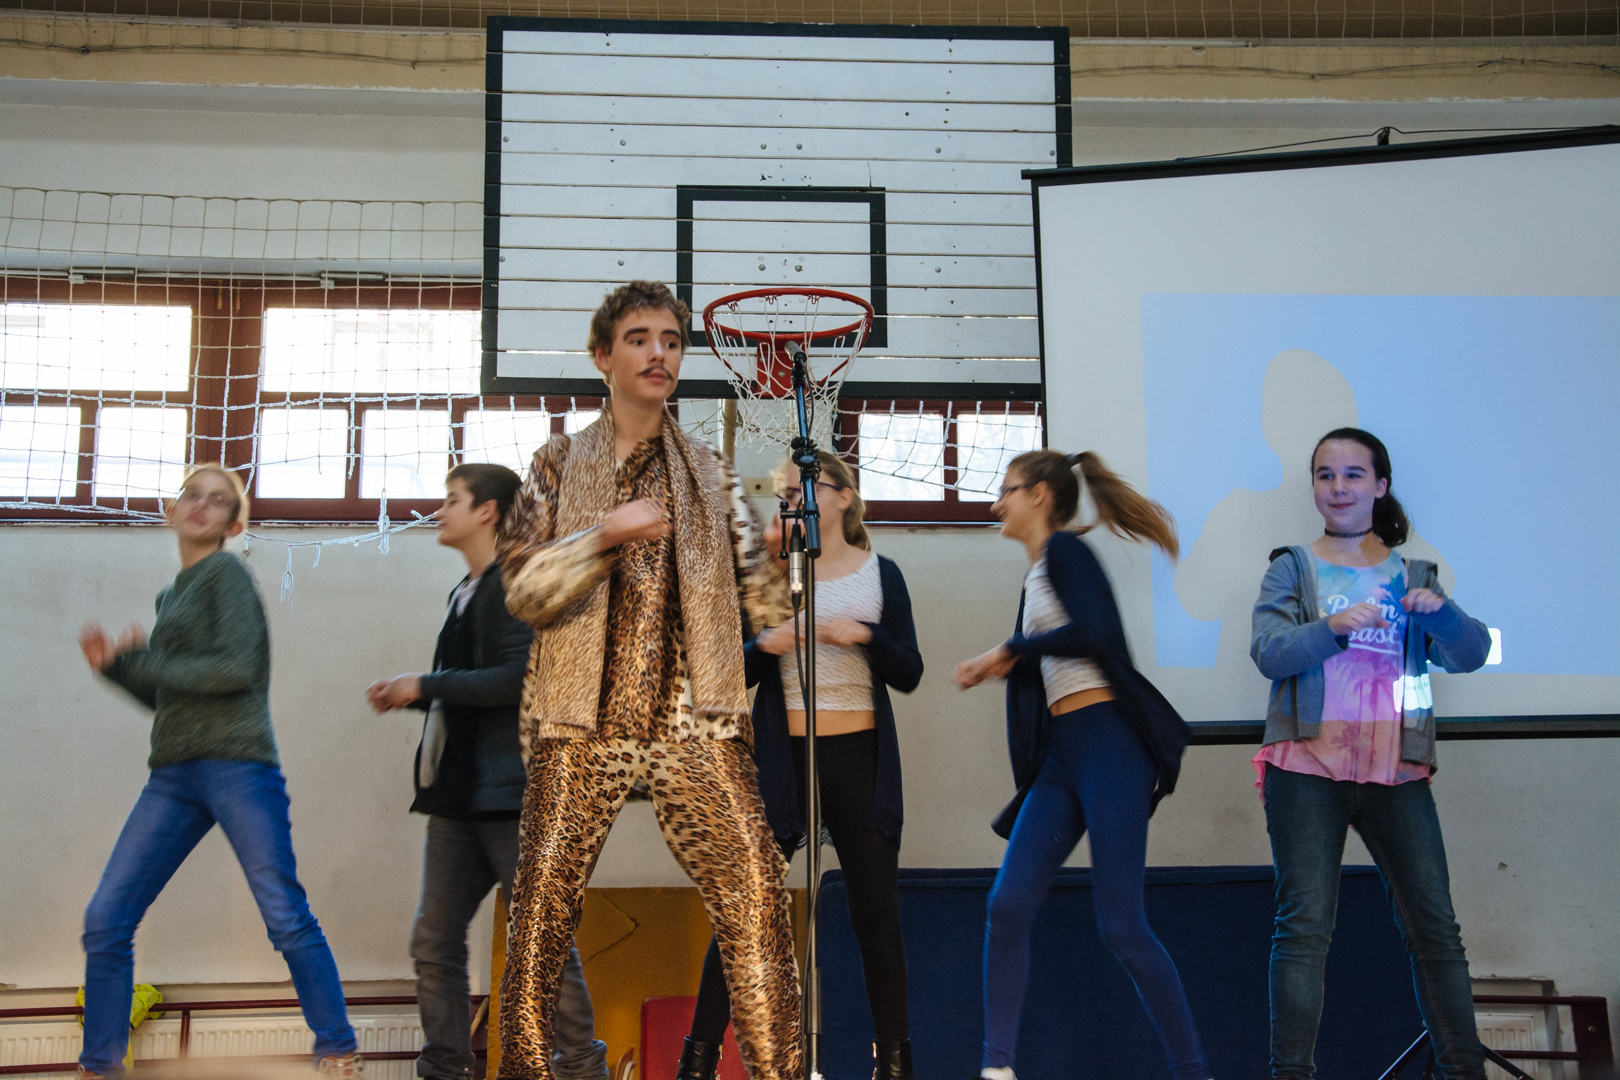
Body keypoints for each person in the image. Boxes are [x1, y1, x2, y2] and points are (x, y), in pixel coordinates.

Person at [493, 281, 799, 1080]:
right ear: (603, 356)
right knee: (542, 908)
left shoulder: (711, 472)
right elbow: (522, 591)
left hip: (694, 720)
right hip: (579, 717)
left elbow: (769, 612)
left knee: (757, 890)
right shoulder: (558, 461)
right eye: (639, 339)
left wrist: (785, 558)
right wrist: (602, 534)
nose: (658, 353)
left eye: (670, 340)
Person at [76, 463, 360, 1079]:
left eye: (217, 501)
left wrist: (144, 663)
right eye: (191, 495)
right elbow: (170, 696)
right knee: (106, 919)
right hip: (174, 774)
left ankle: (337, 1049)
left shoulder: (226, 574)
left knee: (283, 914)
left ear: (233, 526)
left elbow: (236, 670)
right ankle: (99, 1066)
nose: (200, 505)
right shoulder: (172, 595)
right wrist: (117, 668)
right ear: (171, 511)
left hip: (237, 766)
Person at [954, 449, 1208, 1080]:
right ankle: (996, 1067)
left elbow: (1096, 634)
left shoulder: (1067, 551)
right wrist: (1011, 658)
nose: (997, 504)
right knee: (1007, 906)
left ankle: (1194, 1072)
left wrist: (1010, 648)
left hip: (1109, 745)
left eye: (1008, 491)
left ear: (1040, 494)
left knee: (1122, 926)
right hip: (1062, 756)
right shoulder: (1037, 574)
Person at [1250, 427, 1493, 1080]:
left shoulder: (1414, 574)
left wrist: (1442, 616)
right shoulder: (1292, 566)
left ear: (1380, 485)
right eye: (1325, 475)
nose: (1338, 487)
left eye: (1353, 475)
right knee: (1303, 932)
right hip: (1307, 768)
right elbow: (1269, 653)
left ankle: (1464, 1072)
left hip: (1396, 769)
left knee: (1436, 931)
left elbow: (1470, 654)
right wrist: (1330, 627)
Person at [682, 452, 924, 1080]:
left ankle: (895, 1061)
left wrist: (866, 636)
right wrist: (768, 641)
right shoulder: (772, 576)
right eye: (784, 494)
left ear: (842, 496)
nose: (788, 501)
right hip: (782, 760)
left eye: (799, 490)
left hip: (858, 757)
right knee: (745, 910)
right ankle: (699, 1057)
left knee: (876, 913)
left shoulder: (882, 574)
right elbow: (729, 671)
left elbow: (910, 671)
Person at [366, 463, 609, 1080]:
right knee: (434, 941)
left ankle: (582, 1069)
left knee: (542, 940)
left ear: (487, 512)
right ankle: (445, 1068)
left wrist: (423, 684)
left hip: (511, 797)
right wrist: (412, 695)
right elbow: (471, 688)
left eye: (453, 500)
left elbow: (515, 680)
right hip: (458, 798)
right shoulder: (466, 591)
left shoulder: (511, 585)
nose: (440, 510)